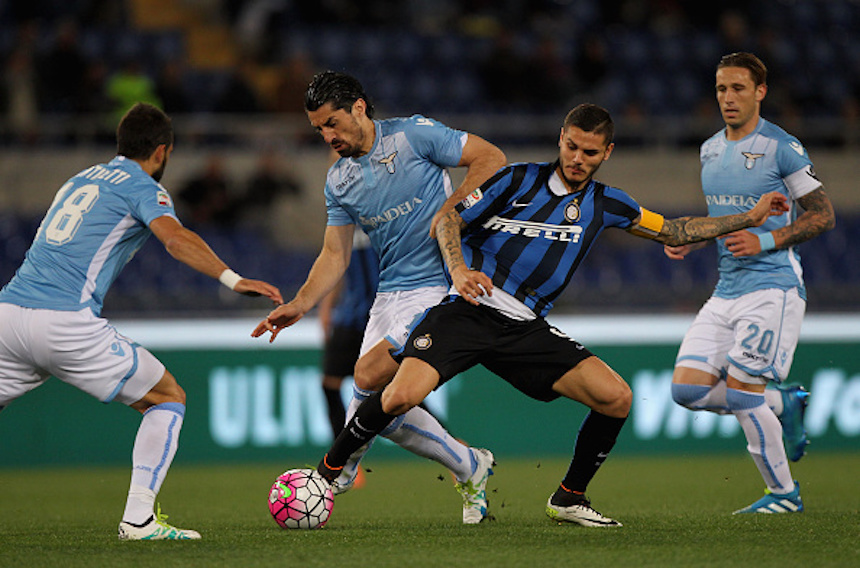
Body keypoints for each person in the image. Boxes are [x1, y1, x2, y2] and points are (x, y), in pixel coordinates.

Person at [313, 103, 789, 527]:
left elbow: (673, 230)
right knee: (397, 395)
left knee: (616, 398)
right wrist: (458, 271)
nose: (578, 158)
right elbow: (450, 218)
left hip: (524, 327)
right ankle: (326, 474)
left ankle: (569, 497)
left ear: (607, 153)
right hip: (469, 309)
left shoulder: (608, 203)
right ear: (561, 139)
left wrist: (750, 218)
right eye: (572, 146)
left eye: (590, 152)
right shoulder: (516, 179)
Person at [0, 102, 283, 540]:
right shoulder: (144, 187)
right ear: (162, 151)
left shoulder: (80, 179)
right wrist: (233, 279)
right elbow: (176, 240)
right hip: (64, 322)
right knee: (167, 397)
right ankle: (138, 520)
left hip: (8, 314)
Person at [252, 70, 507, 524]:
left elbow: (491, 158)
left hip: (437, 286)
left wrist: (451, 211)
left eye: (332, 123)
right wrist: (301, 302)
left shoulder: (414, 135)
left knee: (367, 378)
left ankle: (337, 466)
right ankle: (470, 465)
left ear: (359, 108)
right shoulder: (339, 180)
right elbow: (335, 254)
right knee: (382, 410)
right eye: (319, 129)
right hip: (387, 295)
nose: (327, 136)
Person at [665, 52, 836, 515]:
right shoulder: (709, 149)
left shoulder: (782, 147)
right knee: (687, 391)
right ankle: (783, 402)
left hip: (773, 288)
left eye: (738, 88)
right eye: (722, 89)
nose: (728, 97)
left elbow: (823, 215)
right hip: (726, 289)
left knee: (743, 394)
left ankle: (783, 494)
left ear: (760, 92)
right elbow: (726, 220)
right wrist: (695, 241)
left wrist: (768, 240)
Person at [318, 229, 379, 439]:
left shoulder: (389, 214)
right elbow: (336, 265)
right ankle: (341, 451)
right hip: (349, 317)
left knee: (398, 388)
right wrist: (326, 308)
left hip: (381, 317)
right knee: (329, 384)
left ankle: (450, 441)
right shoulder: (342, 221)